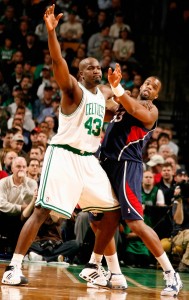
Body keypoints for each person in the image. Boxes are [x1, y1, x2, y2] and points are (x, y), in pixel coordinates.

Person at [1, 4, 121, 288]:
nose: (96, 70)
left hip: (88, 160)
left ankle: (95, 266)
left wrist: (120, 91)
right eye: (90, 67)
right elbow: (58, 62)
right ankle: (13, 268)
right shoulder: (73, 89)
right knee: (42, 211)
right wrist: (52, 34)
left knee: (114, 212)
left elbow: (124, 108)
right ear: (81, 75)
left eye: (98, 67)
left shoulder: (103, 100)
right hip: (64, 155)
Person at [85, 64, 182, 297]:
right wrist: (99, 87)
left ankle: (171, 274)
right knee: (97, 219)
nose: (149, 87)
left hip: (127, 165)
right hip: (105, 163)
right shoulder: (122, 105)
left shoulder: (150, 111)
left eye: (154, 87)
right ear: (141, 86)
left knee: (135, 223)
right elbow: (102, 107)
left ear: (156, 95)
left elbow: (132, 107)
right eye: (147, 83)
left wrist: (117, 88)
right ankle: (115, 274)